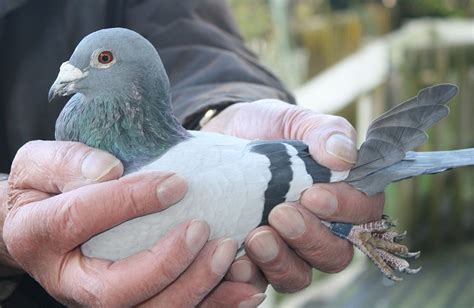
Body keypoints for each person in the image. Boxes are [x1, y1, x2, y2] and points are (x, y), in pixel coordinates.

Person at [0, 0, 384, 306]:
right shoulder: (83, 108)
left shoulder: (170, 181)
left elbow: (186, 31)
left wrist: (217, 110)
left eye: (102, 60)